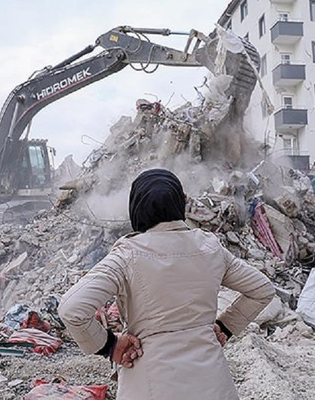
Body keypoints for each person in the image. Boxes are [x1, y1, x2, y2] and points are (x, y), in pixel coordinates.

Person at [59, 168, 275, 400]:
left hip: (151, 383)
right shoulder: (210, 247)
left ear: (136, 207)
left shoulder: (128, 254)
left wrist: (111, 346)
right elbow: (262, 290)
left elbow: (72, 309)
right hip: (214, 384)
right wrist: (225, 327)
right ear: (178, 204)